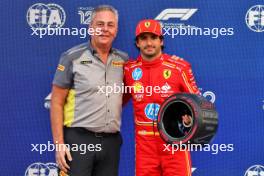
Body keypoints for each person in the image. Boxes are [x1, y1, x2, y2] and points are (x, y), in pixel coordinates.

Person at [50, 5, 128, 176]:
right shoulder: (72, 57)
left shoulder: (123, 60)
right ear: (90, 27)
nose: (105, 29)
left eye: (110, 25)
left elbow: (125, 95)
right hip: (78, 140)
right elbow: (56, 102)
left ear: (116, 30)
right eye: (100, 24)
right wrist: (59, 144)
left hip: (111, 143)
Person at [123, 19, 201, 176]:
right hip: (145, 147)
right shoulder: (129, 70)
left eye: (153, 37)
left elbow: (198, 104)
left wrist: (189, 120)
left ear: (161, 41)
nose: (149, 43)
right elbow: (116, 101)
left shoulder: (179, 68)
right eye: (143, 38)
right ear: (137, 43)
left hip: (174, 143)